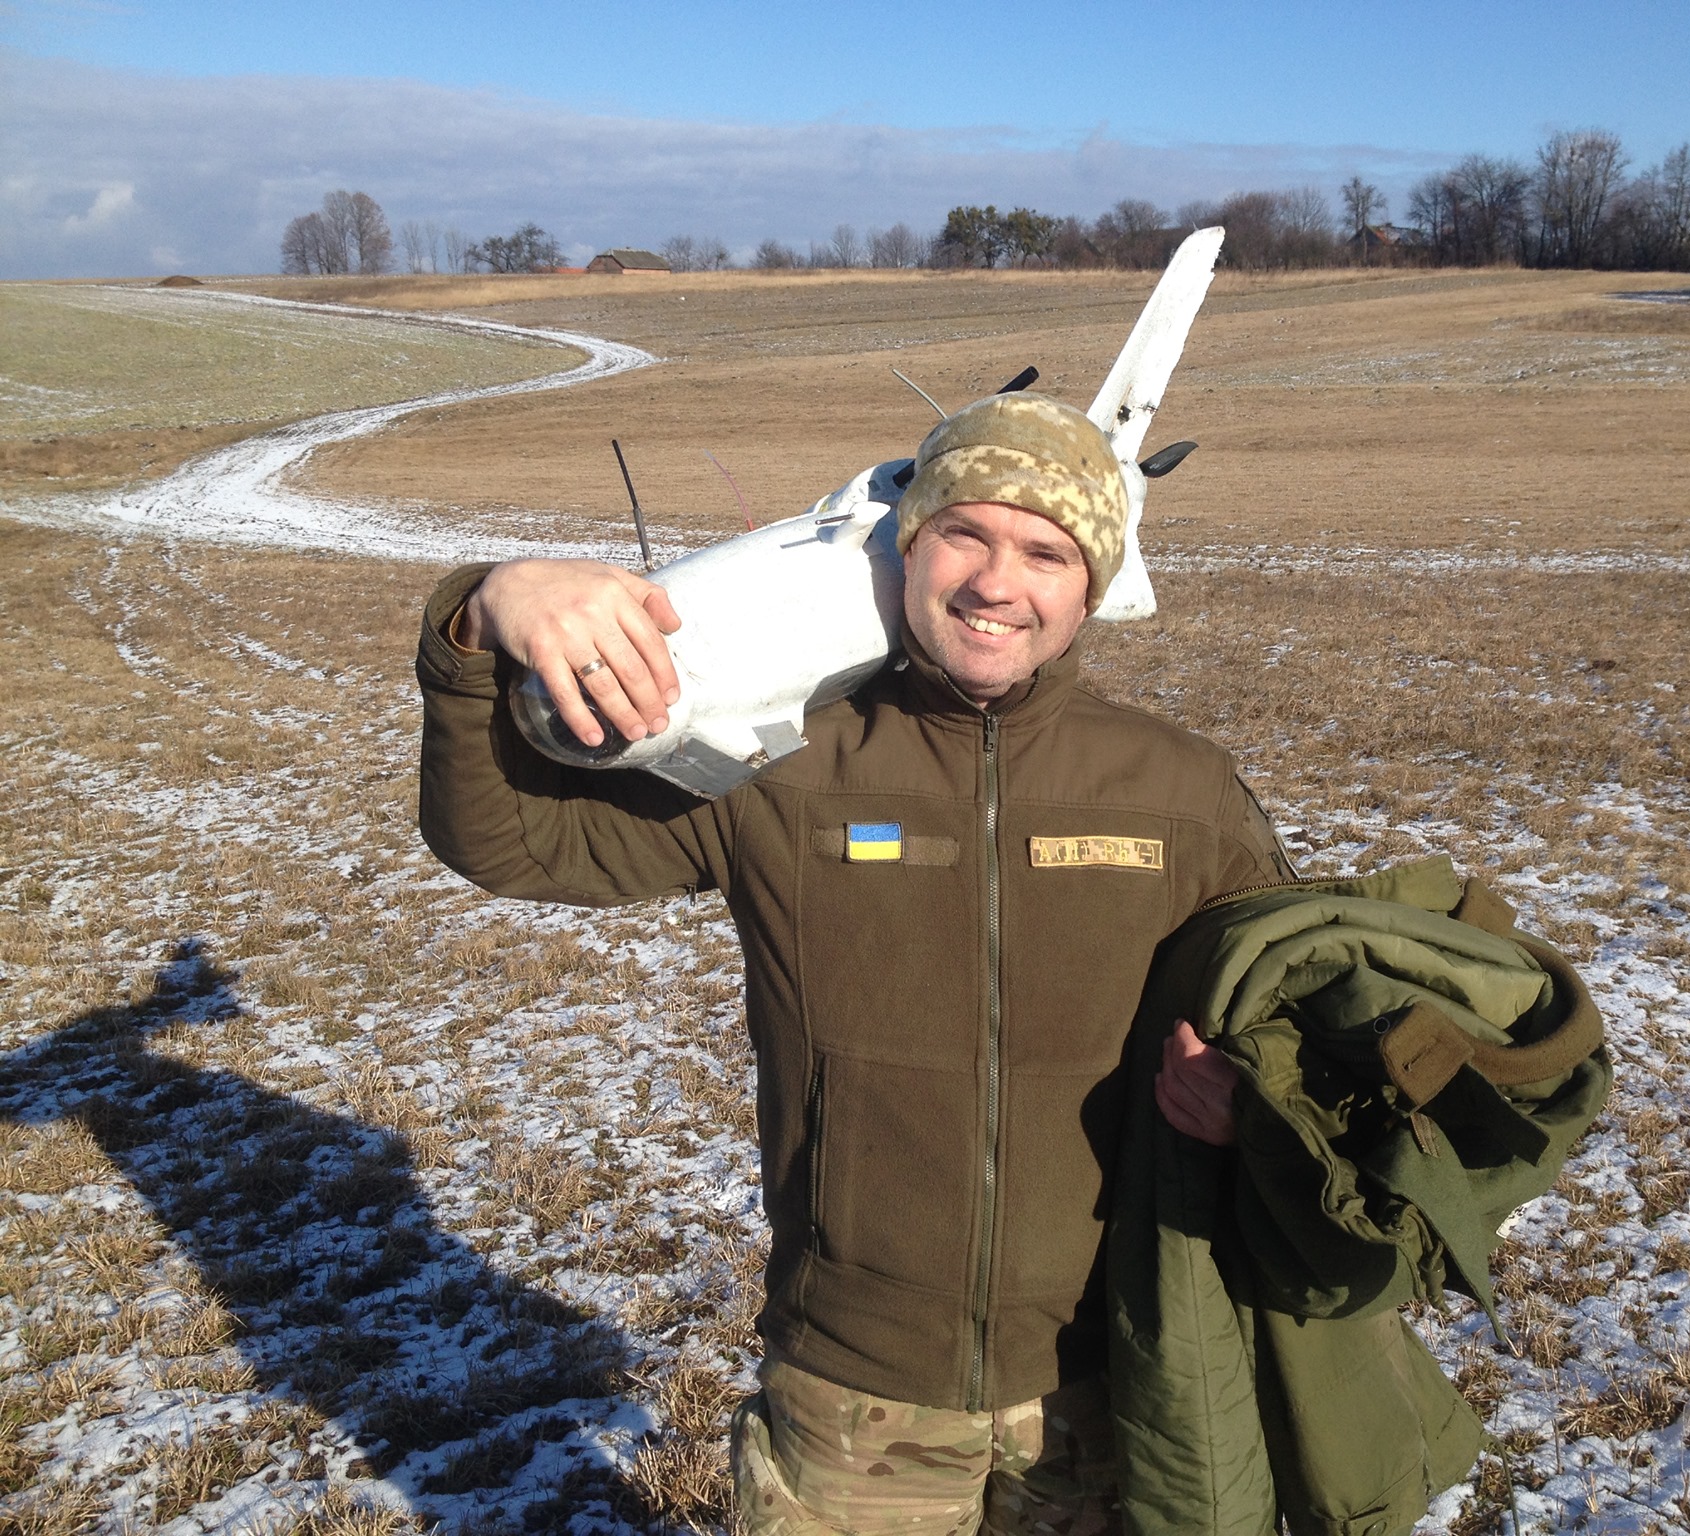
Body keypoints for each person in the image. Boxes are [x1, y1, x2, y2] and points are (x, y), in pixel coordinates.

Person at [414, 392, 1291, 1533]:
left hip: (1117, 1379)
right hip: (850, 1394)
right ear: (906, 548)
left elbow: (1292, 1007)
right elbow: (517, 841)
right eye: (963, 535)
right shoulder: (784, 762)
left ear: (1092, 587)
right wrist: (483, 612)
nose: (994, 583)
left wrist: (1254, 1100)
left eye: (1043, 552)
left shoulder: (1177, 791)